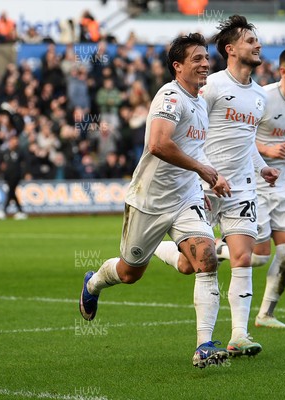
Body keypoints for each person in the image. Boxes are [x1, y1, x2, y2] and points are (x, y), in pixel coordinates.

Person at [79, 33, 232, 369]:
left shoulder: (199, 101)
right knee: (131, 272)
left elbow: (194, 150)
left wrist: (212, 177)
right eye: (196, 59)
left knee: (206, 259)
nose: (205, 63)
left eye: (206, 57)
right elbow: (159, 144)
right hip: (149, 200)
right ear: (177, 66)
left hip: (185, 198)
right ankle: (93, 283)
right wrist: (204, 169)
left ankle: (203, 345)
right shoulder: (170, 95)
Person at [154, 15, 279, 356]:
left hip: (241, 187)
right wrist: (202, 172)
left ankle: (239, 335)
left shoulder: (258, 95)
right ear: (231, 49)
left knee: (243, 256)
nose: (258, 45)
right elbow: (189, 129)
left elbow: (246, 140)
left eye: (258, 40)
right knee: (189, 265)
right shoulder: (211, 87)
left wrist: (263, 167)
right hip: (202, 186)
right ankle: (154, 248)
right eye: (250, 40)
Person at [217, 47, 285, 328]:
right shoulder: (263, 97)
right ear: (283, 71)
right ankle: (217, 247)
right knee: (258, 257)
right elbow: (243, 137)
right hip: (255, 184)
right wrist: (267, 149)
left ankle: (266, 314)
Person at [0, 135, 28, 220]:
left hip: (16, 175)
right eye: (13, 141)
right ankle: (20, 211)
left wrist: (26, 173)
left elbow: (26, 163)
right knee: (12, 192)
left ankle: (4, 211)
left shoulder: (20, 152)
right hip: (7, 175)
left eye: (16, 141)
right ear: (9, 142)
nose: (15, 142)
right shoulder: (5, 152)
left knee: (11, 191)